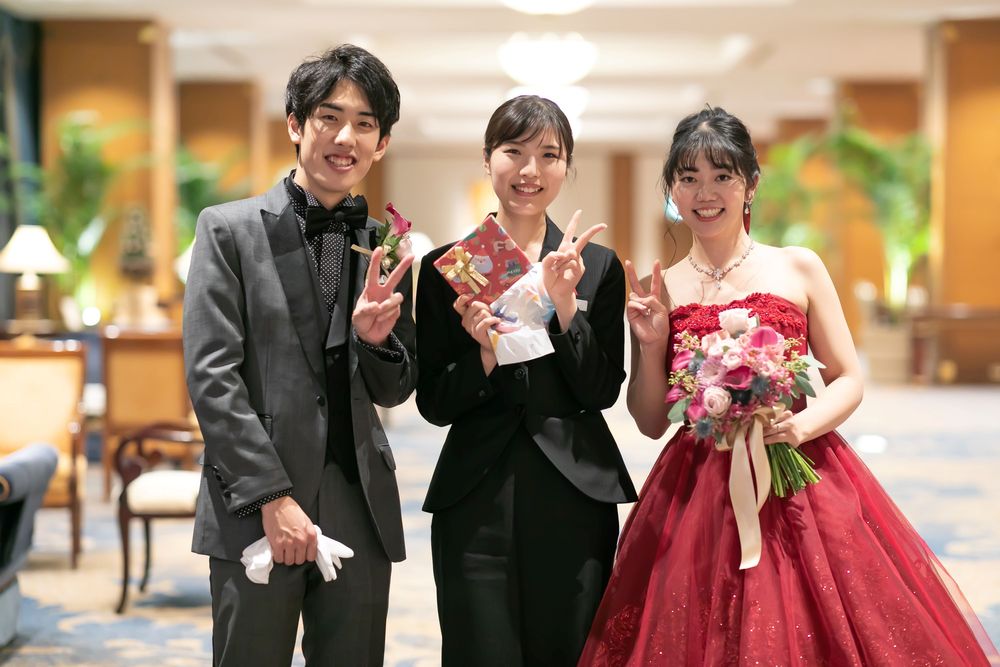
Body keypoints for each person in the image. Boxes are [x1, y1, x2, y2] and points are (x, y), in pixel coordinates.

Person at [578, 106, 999, 666]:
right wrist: (651, 344)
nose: (706, 193)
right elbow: (652, 422)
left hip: (799, 466)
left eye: (722, 176)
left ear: (751, 184)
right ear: (672, 191)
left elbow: (849, 378)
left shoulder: (797, 267)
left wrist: (799, 426)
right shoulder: (663, 286)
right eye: (689, 177)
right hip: (697, 483)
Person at [182, 44, 416, 667]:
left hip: (358, 500)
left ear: (382, 143)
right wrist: (271, 498)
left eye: (364, 124)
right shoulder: (227, 229)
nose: (345, 138)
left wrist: (375, 343)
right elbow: (211, 378)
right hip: (256, 498)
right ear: (295, 124)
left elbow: (396, 389)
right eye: (329, 118)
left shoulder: (387, 246)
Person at [415, 95, 638, 666]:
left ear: (566, 166)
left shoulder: (597, 266)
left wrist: (564, 309)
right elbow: (434, 403)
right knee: (478, 649)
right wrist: (484, 354)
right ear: (487, 159)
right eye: (513, 151)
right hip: (475, 494)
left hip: (574, 491)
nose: (530, 170)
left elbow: (601, 390)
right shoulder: (449, 267)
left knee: (570, 649)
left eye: (549, 155)